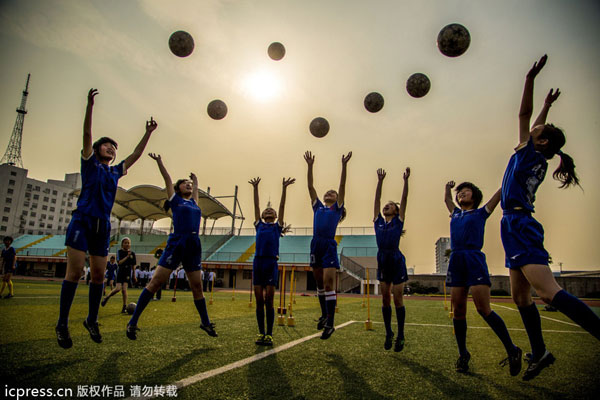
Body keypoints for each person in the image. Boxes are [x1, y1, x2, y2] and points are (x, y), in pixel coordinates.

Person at [500, 54, 600, 380]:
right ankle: (540, 352)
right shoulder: (536, 152)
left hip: (520, 225)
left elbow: (523, 114)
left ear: (539, 141)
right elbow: (535, 124)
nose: (533, 129)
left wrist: (529, 78)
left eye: (537, 131)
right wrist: (547, 105)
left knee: (547, 291)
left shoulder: (530, 151)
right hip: (513, 225)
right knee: (520, 296)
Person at [55, 88, 157, 349]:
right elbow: (87, 135)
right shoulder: (90, 163)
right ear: (98, 148)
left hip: (102, 225)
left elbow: (134, 156)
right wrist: (89, 106)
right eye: (107, 144)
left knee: (99, 276)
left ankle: (92, 319)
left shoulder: (114, 172)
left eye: (114, 147)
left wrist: (147, 133)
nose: (111, 148)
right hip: (82, 221)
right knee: (76, 272)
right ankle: (62, 324)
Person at [126, 153, 217, 340]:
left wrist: (196, 180)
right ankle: (133, 322)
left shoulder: (193, 202)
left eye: (190, 185)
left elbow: (196, 191)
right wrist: (160, 162)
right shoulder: (175, 200)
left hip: (193, 244)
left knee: (197, 287)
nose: (189, 186)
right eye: (185, 184)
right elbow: (167, 179)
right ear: (177, 188)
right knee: (156, 282)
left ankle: (205, 322)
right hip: (177, 243)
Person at [444, 181, 522, 375]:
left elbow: (499, 195)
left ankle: (512, 350)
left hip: (474, 259)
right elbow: (446, 199)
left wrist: (509, 177)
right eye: (459, 192)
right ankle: (463, 355)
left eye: (466, 191)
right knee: (459, 311)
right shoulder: (455, 213)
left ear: (475, 196)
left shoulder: (481, 213)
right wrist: (447, 187)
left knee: (483, 309)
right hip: (456, 260)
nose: (461, 193)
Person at [304, 150, 351, 339]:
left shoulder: (336, 208)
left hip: (329, 245)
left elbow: (342, 184)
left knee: (329, 283)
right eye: (328, 192)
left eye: (333, 192)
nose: (329, 192)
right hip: (315, 244)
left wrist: (344, 165)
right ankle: (324, 314)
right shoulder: (318, 207)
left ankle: (330, 323)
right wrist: (309, 166)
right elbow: (310, 186)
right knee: (319, 283)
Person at [249, 176, 295, 346]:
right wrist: (255, 188)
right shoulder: (259, 225)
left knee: (269, 299)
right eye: (266, 211)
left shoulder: (277, 227)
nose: (269, 211)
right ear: (262, 215)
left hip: (271, 263)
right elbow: (256, 206)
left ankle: (269, 334)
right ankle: (261, 333)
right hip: (258, 262)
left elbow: (282, 206)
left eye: (272, 211)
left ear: (276, 216)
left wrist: (284, 188)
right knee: (259, 300)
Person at [373, 167, 410, 352]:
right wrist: (379, 181)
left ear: (396, 211)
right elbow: (377, 200)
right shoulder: (378, 221)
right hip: (382, 259)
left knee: (397, 299)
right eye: (385, 205)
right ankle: (389, 332)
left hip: (396, 259)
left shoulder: (398, 221)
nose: (386, 206)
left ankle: (401, 334)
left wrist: (405, 181)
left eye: (390, 205)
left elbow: (404, 200)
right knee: (385, 299)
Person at [101, 237, 137, 312]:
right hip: (121, 272)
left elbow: (133, 265)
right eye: (125, 243)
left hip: (127, 273)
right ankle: (107, 297)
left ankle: (124, 307)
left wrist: (134, 275)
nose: (127, 244)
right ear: (122, 244)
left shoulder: (132, 253)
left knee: (124, 290)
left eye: (128, 243)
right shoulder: (119, 252)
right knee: (117, 289)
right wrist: (127, 256)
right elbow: (119, 262)